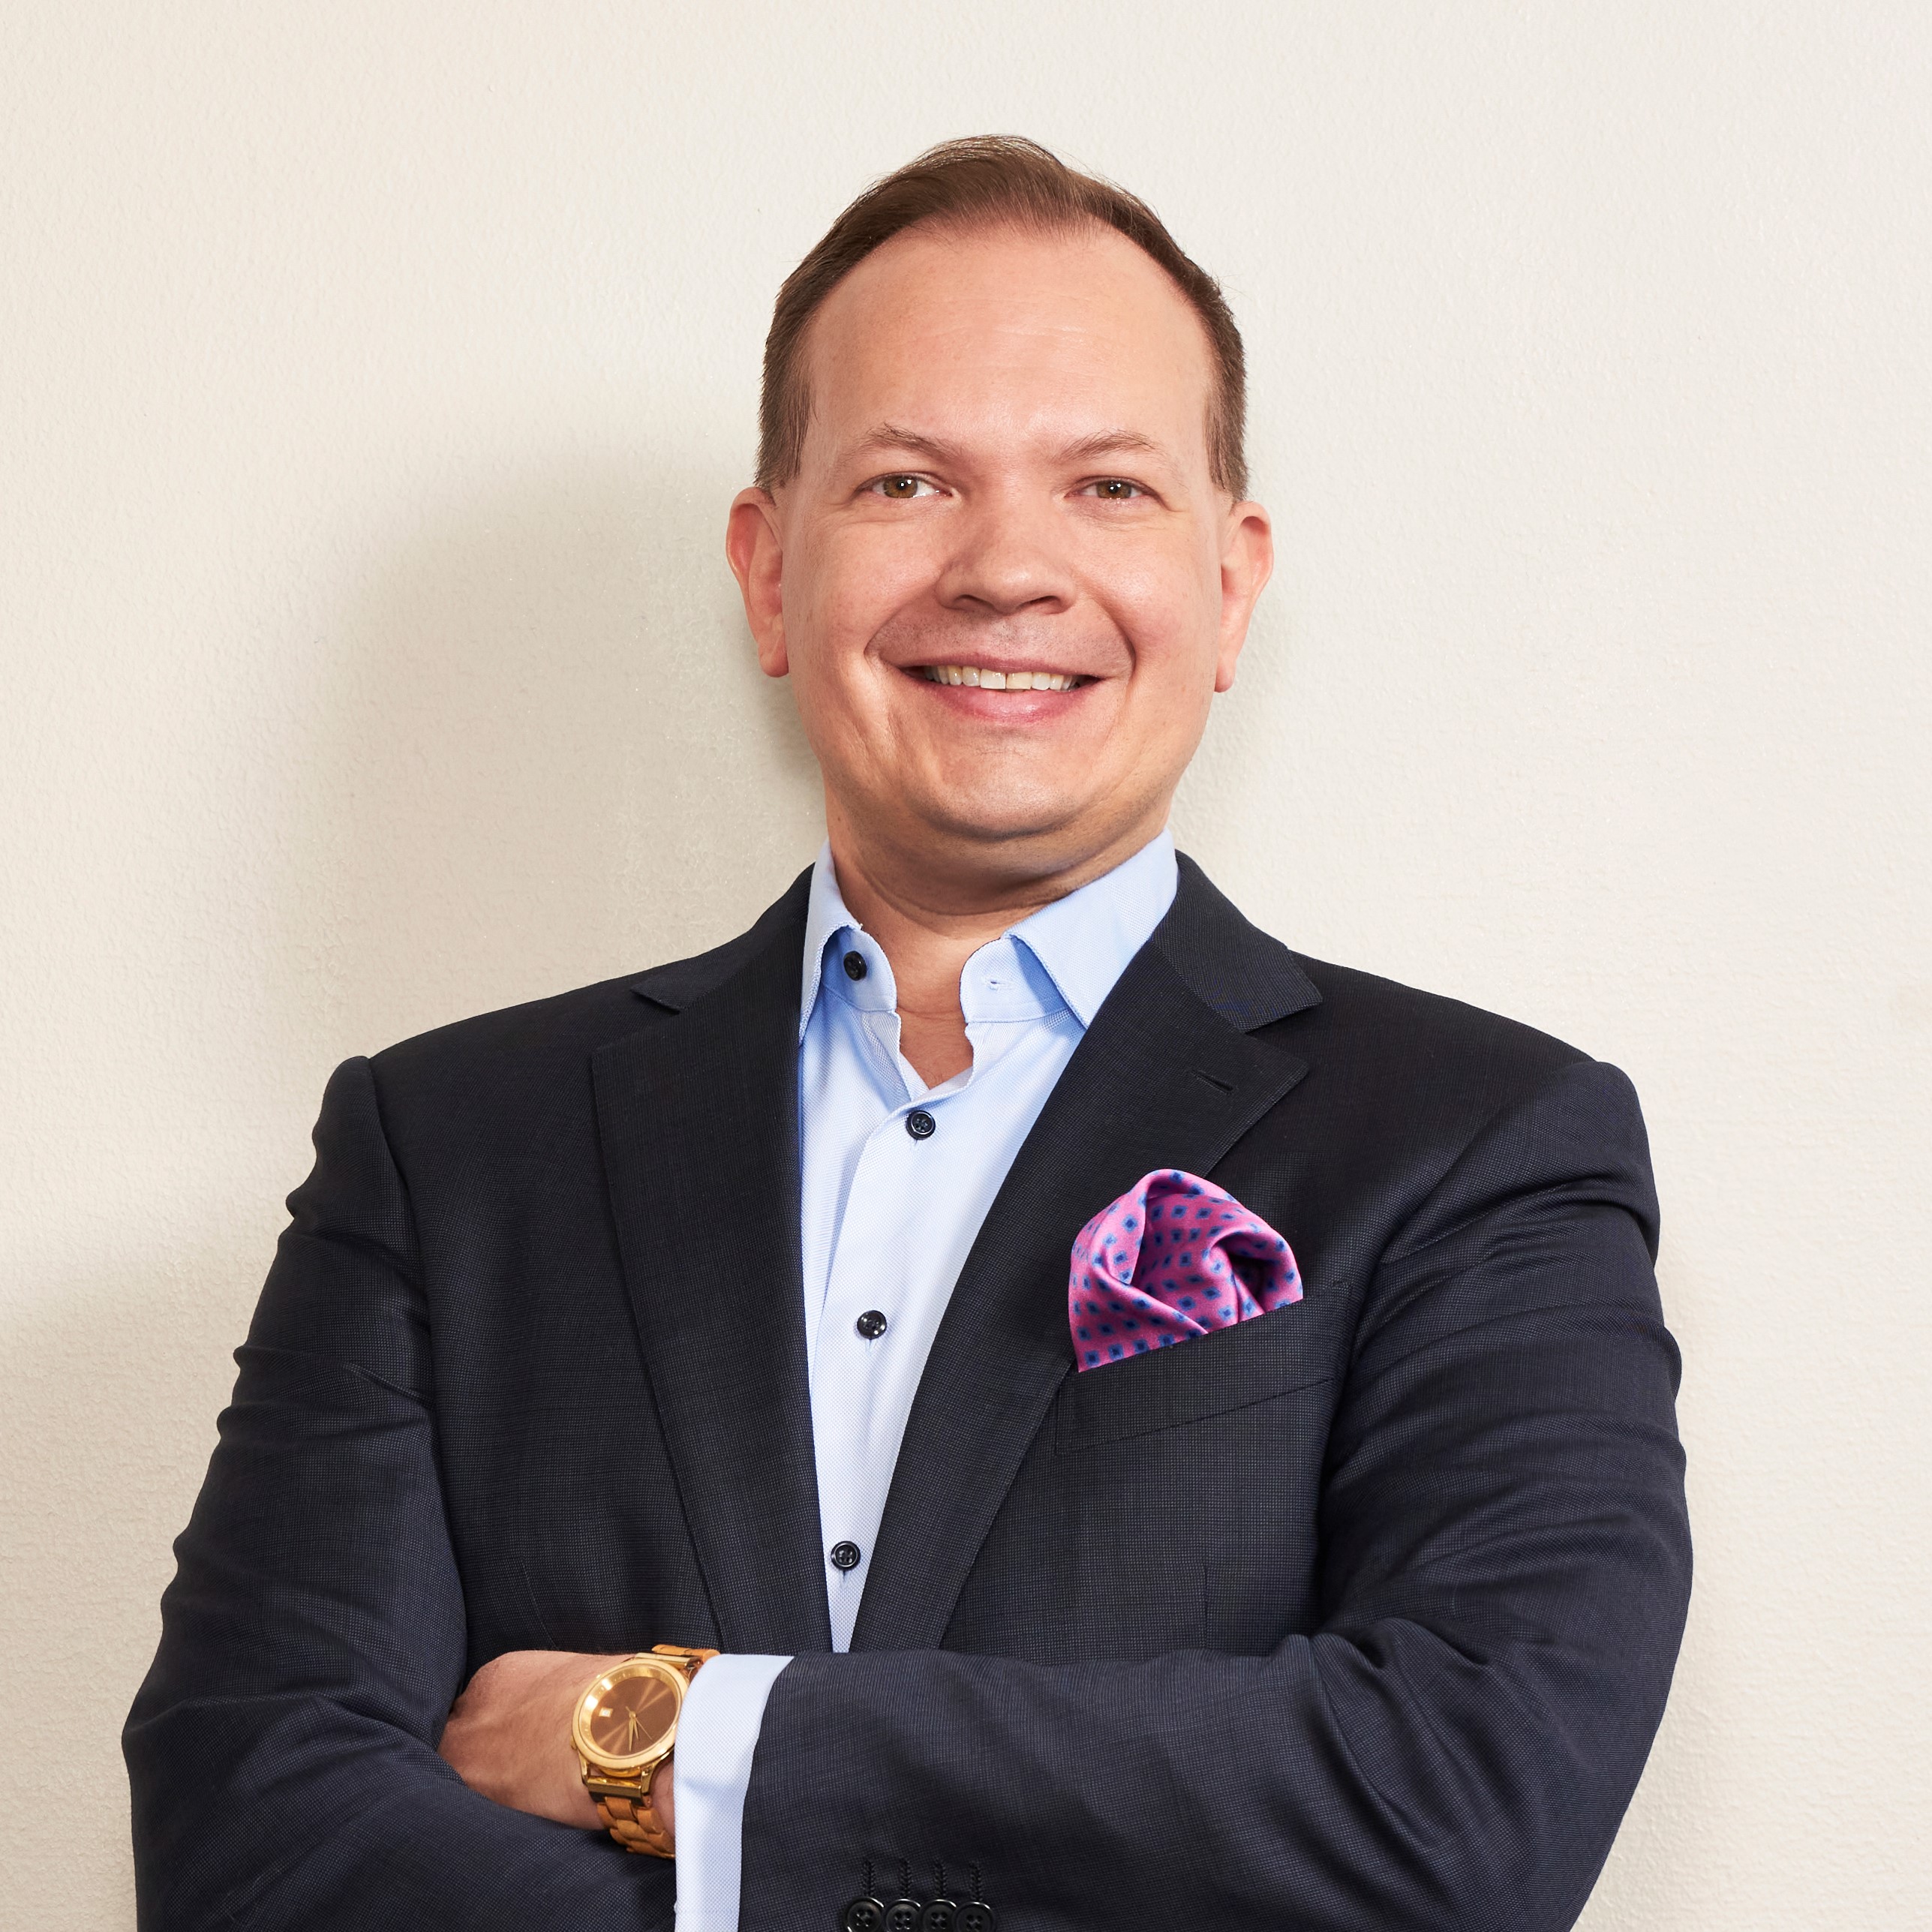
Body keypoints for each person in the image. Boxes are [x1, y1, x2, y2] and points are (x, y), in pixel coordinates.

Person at [125, 137, 1690, 1932]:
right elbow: (253, 1832)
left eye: (1107, 486)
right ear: (767, 571)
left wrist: (684, 1739)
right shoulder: (446, 1147)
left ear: (1231, 583)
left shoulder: (1481, 1143)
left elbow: (1463, 1804)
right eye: (906, 481)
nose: (1008, 567)